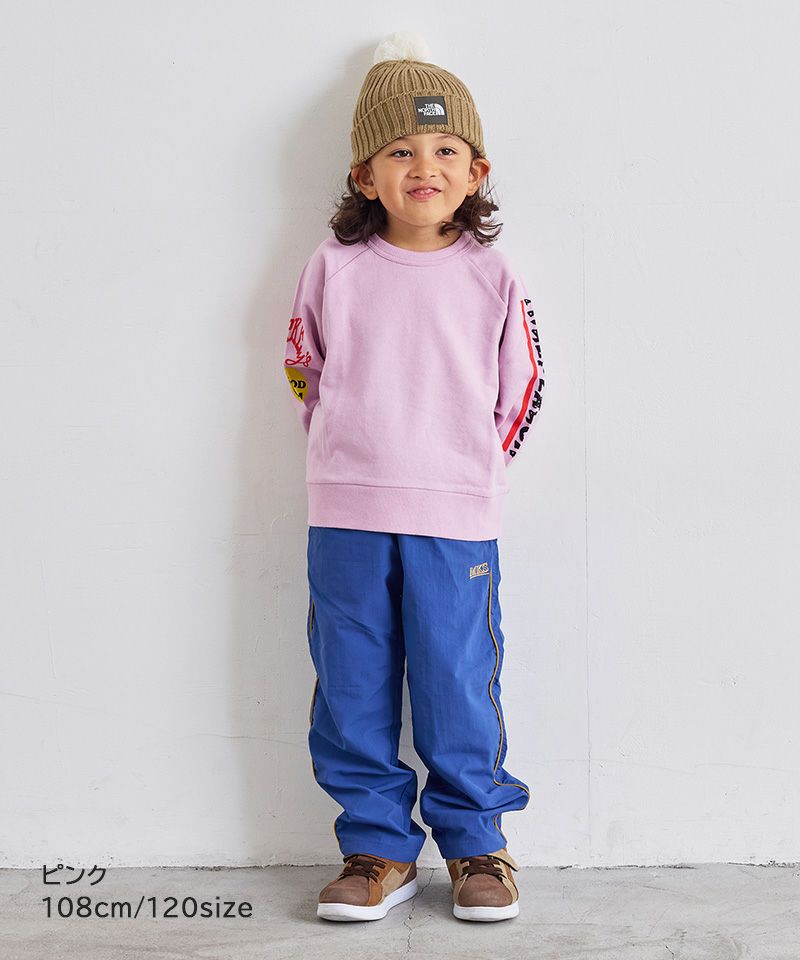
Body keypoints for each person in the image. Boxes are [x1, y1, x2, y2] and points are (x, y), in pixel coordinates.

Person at [282, 33, 546, 923]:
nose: (423, 167)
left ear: (476, 171)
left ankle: (477, 845)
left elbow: (523, 384)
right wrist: (345, 451)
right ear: (365, 176)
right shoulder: (334, 267)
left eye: (443, 149)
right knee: (351, 684)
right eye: (399, 151)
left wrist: (471, 467)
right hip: (347, 514)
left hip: (455, 515)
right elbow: (303, 368)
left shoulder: (491, 274)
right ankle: (376, 847)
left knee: (455, 680)